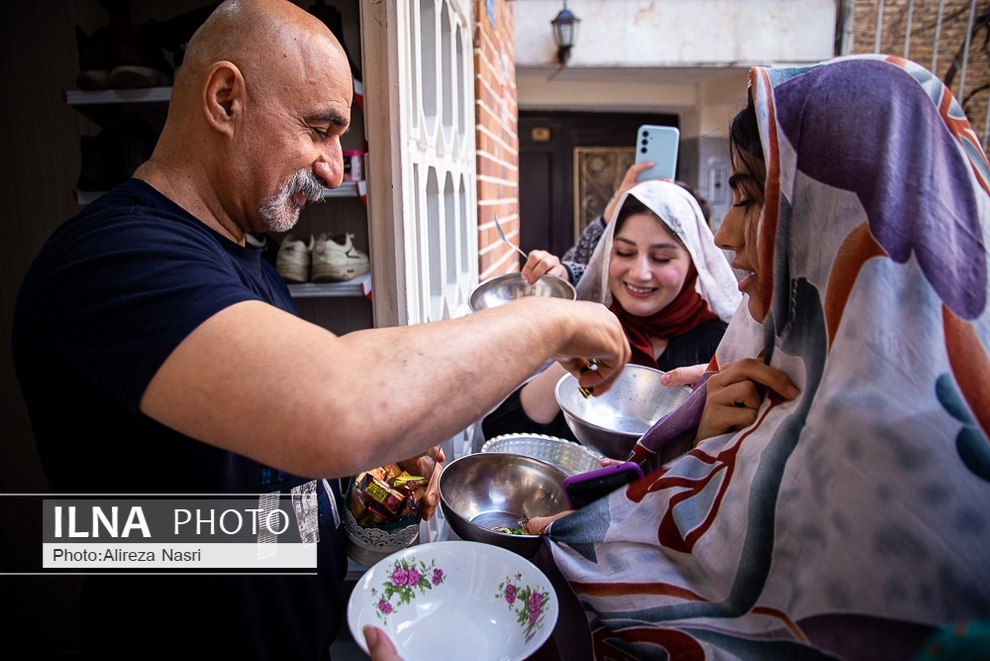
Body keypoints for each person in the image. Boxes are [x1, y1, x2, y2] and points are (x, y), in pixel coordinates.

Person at [10, 1, 630, 659]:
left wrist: (346, 489)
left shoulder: (242, 255)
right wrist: (550, 318)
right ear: (225, 100)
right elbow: (103, 536)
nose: (333, 167)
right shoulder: (113, 259)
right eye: (318, 129)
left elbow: (207, 491)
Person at [520, 54, 990, 660]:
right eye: (624, 251)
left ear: (838, 211)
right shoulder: (777, 349)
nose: (725, 234)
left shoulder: (892, 444)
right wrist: (700, 440)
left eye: (753, 197)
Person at [482, 179, 740, 446]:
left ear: (694, 263)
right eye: (625, 252)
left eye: (662, 257)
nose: (640, 273)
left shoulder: (720, 349)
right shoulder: (591, 328)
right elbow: (503, 434)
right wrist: (574, 356)